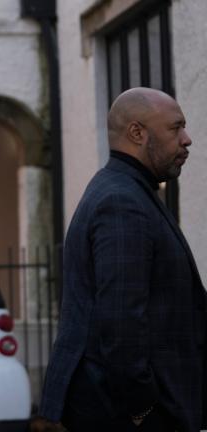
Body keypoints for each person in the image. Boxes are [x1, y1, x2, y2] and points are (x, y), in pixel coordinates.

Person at [40, 87, 205, 431]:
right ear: (137, 132)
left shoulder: (128, 190)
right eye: (176, 128)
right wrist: (144, 411)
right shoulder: (122, 202)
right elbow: (120, 325)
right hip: (123, 414)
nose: (187, 139)